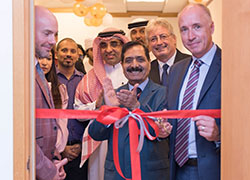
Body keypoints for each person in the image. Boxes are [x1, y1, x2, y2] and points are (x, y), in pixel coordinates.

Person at [88, 41, 172, 180]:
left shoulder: (165, 94)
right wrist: (110, 109)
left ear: (149, 63)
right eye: (128, 61)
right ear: (122, 65)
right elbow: (95, 134)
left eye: (140, 59)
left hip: (152, 173)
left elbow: (159, 131)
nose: (134, 65)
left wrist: (136, 108)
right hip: (117, 174)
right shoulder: (113, 95)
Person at [166, 4, 221, 180]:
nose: (190, 36)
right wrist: (163, 127)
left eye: (197, 27)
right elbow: (171, 116)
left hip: (214, 169)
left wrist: (220, 134)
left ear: (211, 27)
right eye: (184, 29)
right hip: (177, 169)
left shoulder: (232, 66)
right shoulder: (175, 70)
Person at [74, 28, 128, 180]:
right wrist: (95, 105)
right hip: (100, 141)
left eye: (114, 44)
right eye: (103, 45)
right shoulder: (90, 78)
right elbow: (78, 111)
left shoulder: (133, 71)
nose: (108, 49)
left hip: (129, 137)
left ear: (124, 46)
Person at [35, 6, 67, 180]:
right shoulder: (19, 73)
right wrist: (48, 171)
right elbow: (21, 134)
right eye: (46, 33)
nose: (53, 41)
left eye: (55, 34)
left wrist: (55, 161)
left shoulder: (37, 71)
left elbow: (49, 124)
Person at [56, 38, 87, 180]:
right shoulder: (48, 80)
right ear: (56, 54)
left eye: (72, 51)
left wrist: (81, 146)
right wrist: (61, 149)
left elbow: (90, 116)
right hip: (54, 153)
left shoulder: (86, 81)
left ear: (77, 55)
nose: (68, 54)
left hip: (82, 151)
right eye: (64, 50)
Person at [38, 49, 69, 154]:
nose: (44, 63)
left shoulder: (59, 88)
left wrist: (58, 146)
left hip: (54, 147)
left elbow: (61, 122)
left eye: (48, 58)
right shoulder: (28, 86)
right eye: (40, 57)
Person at [145, 18, 190, 86]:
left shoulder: (190, 64)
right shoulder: (147, 71)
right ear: (149, 44)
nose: (159, 42)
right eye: (153, 39)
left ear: (174, 39)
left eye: (163, 36)